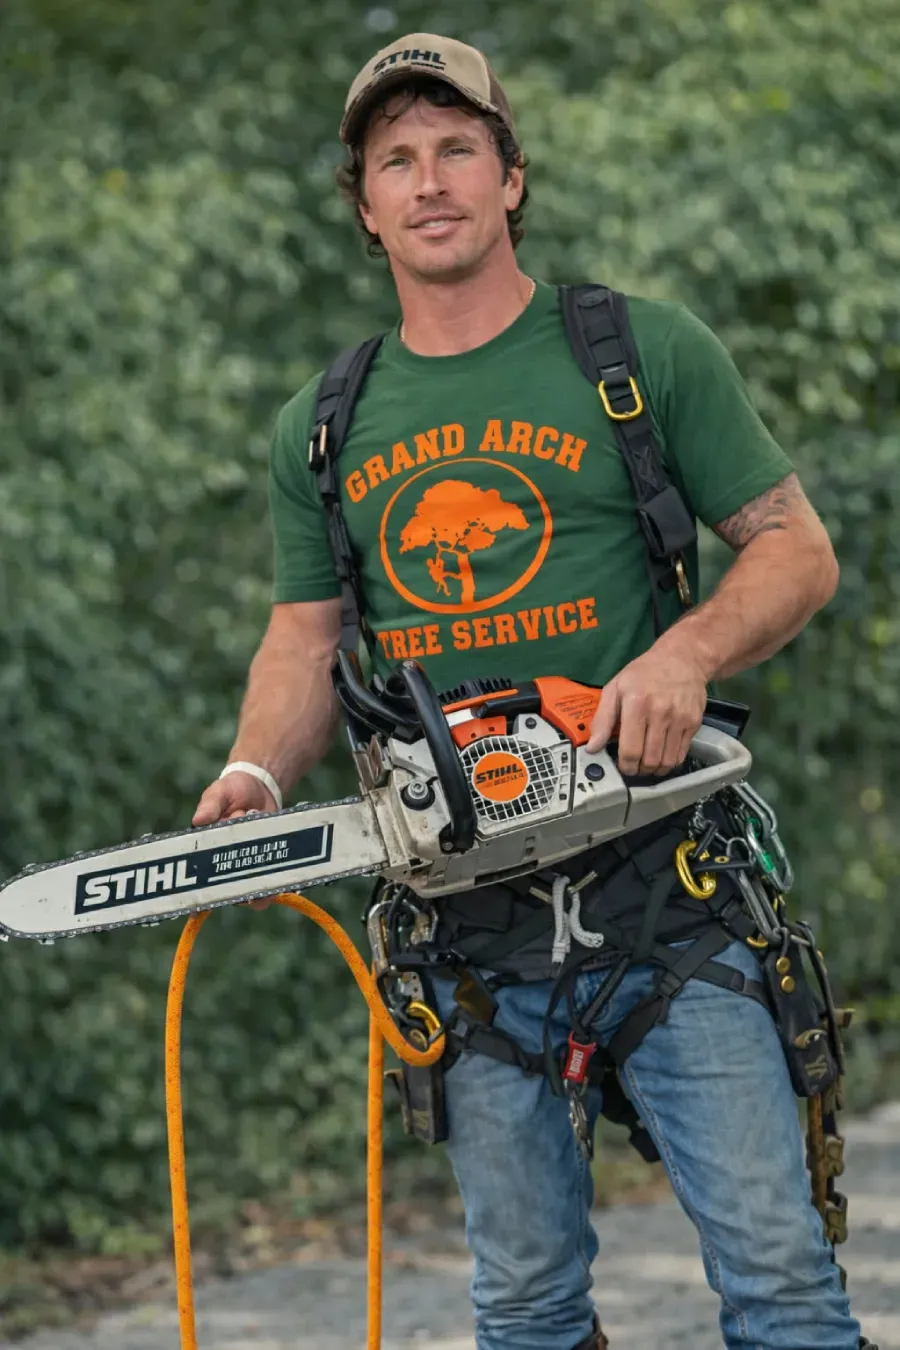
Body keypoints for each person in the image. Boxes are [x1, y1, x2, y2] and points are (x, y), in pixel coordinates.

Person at [192, 33, 867, 1350]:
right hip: (466, 929)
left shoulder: (636, 351)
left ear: (510, 177)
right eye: (397, 158)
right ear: (365, 203)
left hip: (668, 889)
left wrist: (682, 656)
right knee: (527, 1306)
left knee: (782, 1286)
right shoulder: (325, 423)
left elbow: (797, 548)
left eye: (457, 147)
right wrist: (257, 770)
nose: (429, 179)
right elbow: (301, 636)